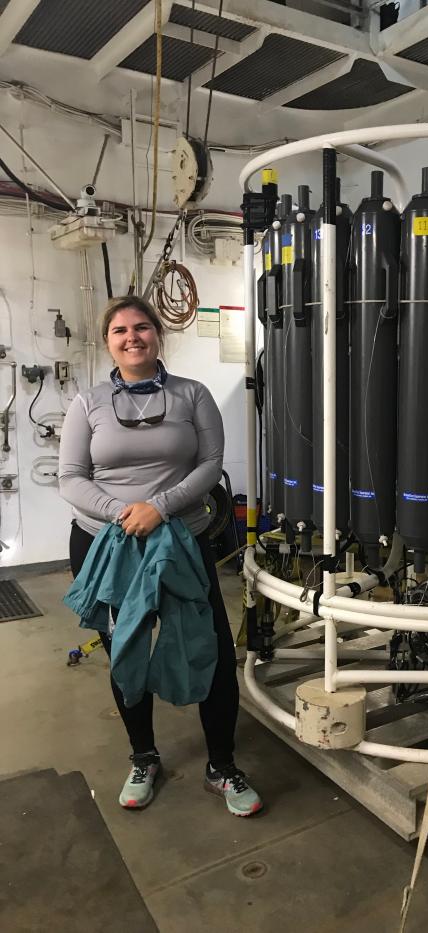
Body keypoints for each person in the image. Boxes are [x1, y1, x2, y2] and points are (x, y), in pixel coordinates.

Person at [58, 295, 262, 816]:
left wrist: (160, 508)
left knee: (209, 647)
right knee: (124, 648)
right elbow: (70, 478)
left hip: (181, 543)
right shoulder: (88, 403)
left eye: (142, 328)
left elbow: (210, 463)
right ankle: (144, 757)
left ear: (158, 335)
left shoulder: (192, 395)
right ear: (108, 341)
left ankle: (222, 765)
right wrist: (122, 513)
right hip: (106, 541)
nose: (132, 337)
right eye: (120, 330)